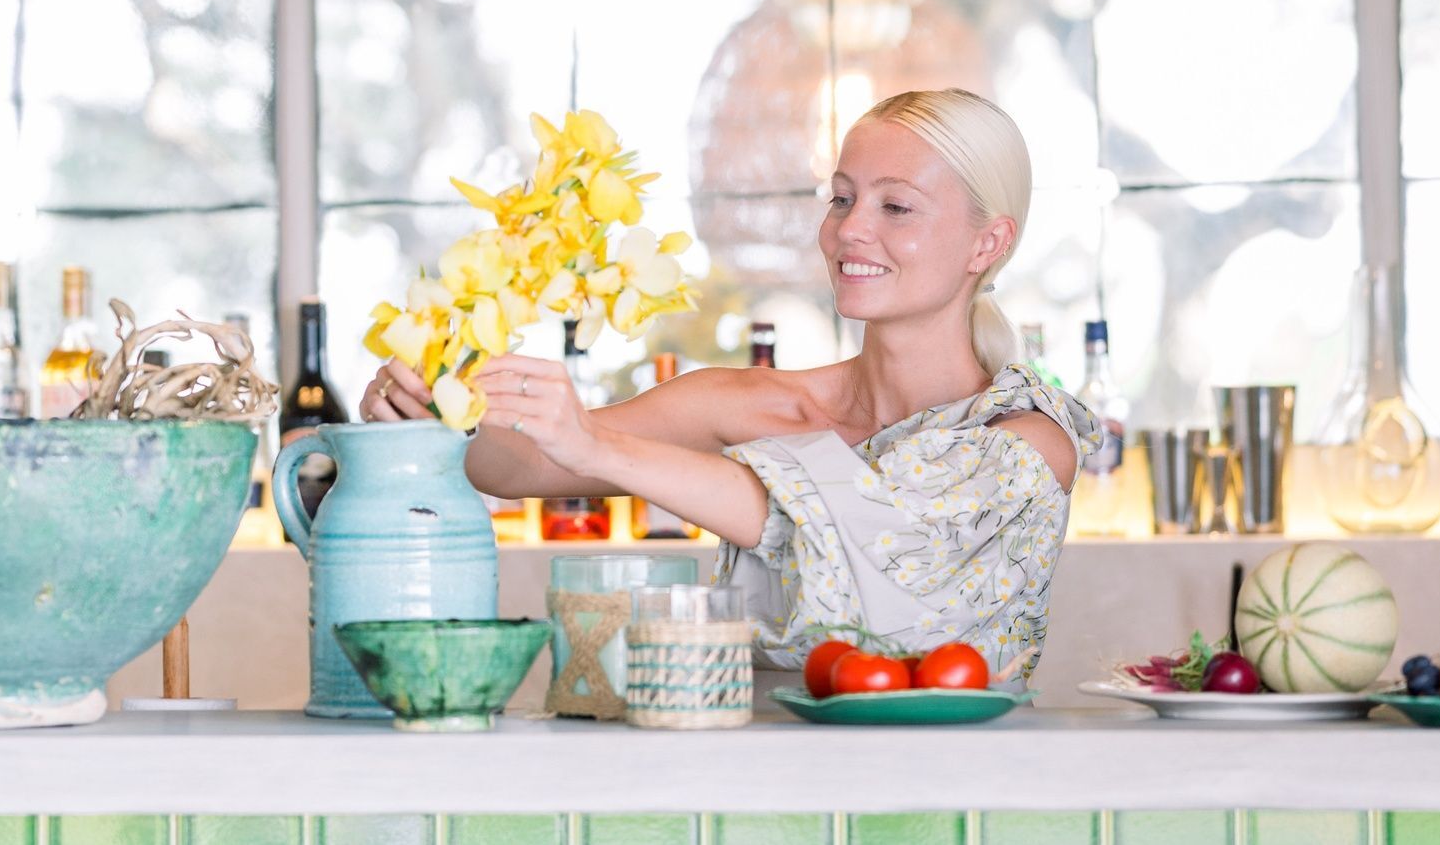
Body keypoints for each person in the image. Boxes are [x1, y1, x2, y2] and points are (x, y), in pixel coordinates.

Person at [358, 87, 1101, 682]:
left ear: (988, 241)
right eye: (841, 197)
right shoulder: (750, 404)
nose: (848, 231)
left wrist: (593, 440)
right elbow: (518, 466)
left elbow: (843, 527)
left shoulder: (1027, 439)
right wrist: (435, 415)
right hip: (746, 793)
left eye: (895, 205)